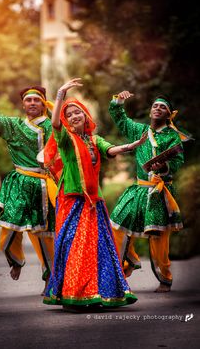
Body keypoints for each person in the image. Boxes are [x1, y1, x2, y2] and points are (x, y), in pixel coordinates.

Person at [40, 78, 146, 308]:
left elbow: (111, 150)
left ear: (86, 116)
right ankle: (73, 293)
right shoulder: (66, 139)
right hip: (72, 200)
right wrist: (60, 95)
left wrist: (132, 145)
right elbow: (55, 123)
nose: (74, 116)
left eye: (78, 112)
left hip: (93, 202)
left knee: (99, 246)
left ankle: (98, 292)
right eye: (70, 115)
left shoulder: (94, 140)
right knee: (73, 244)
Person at [0, 75, 56, 293]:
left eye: (37, 100)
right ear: (23, 104)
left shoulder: (54, 126)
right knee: (8, 229)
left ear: (44, 103)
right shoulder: (13, 126)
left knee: (44, 235)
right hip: (18, 184)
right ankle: (15, 261)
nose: (33, 103)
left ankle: (50, 279)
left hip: (44, 186)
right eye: (29, 100)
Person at [109, 90, 190, 293]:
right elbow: (120, 119)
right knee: (118, 225)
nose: (157, 108)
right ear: (150, 110)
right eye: (155, 105)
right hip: (139, 188)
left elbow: (178, 161)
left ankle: (165, 278)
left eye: (162, 107)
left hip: (160, 191)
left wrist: (164, 167)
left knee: (158, 238)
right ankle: (124, 269)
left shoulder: (173, 136)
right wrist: (118, 101)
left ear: (169, 114)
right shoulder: (139, 130)